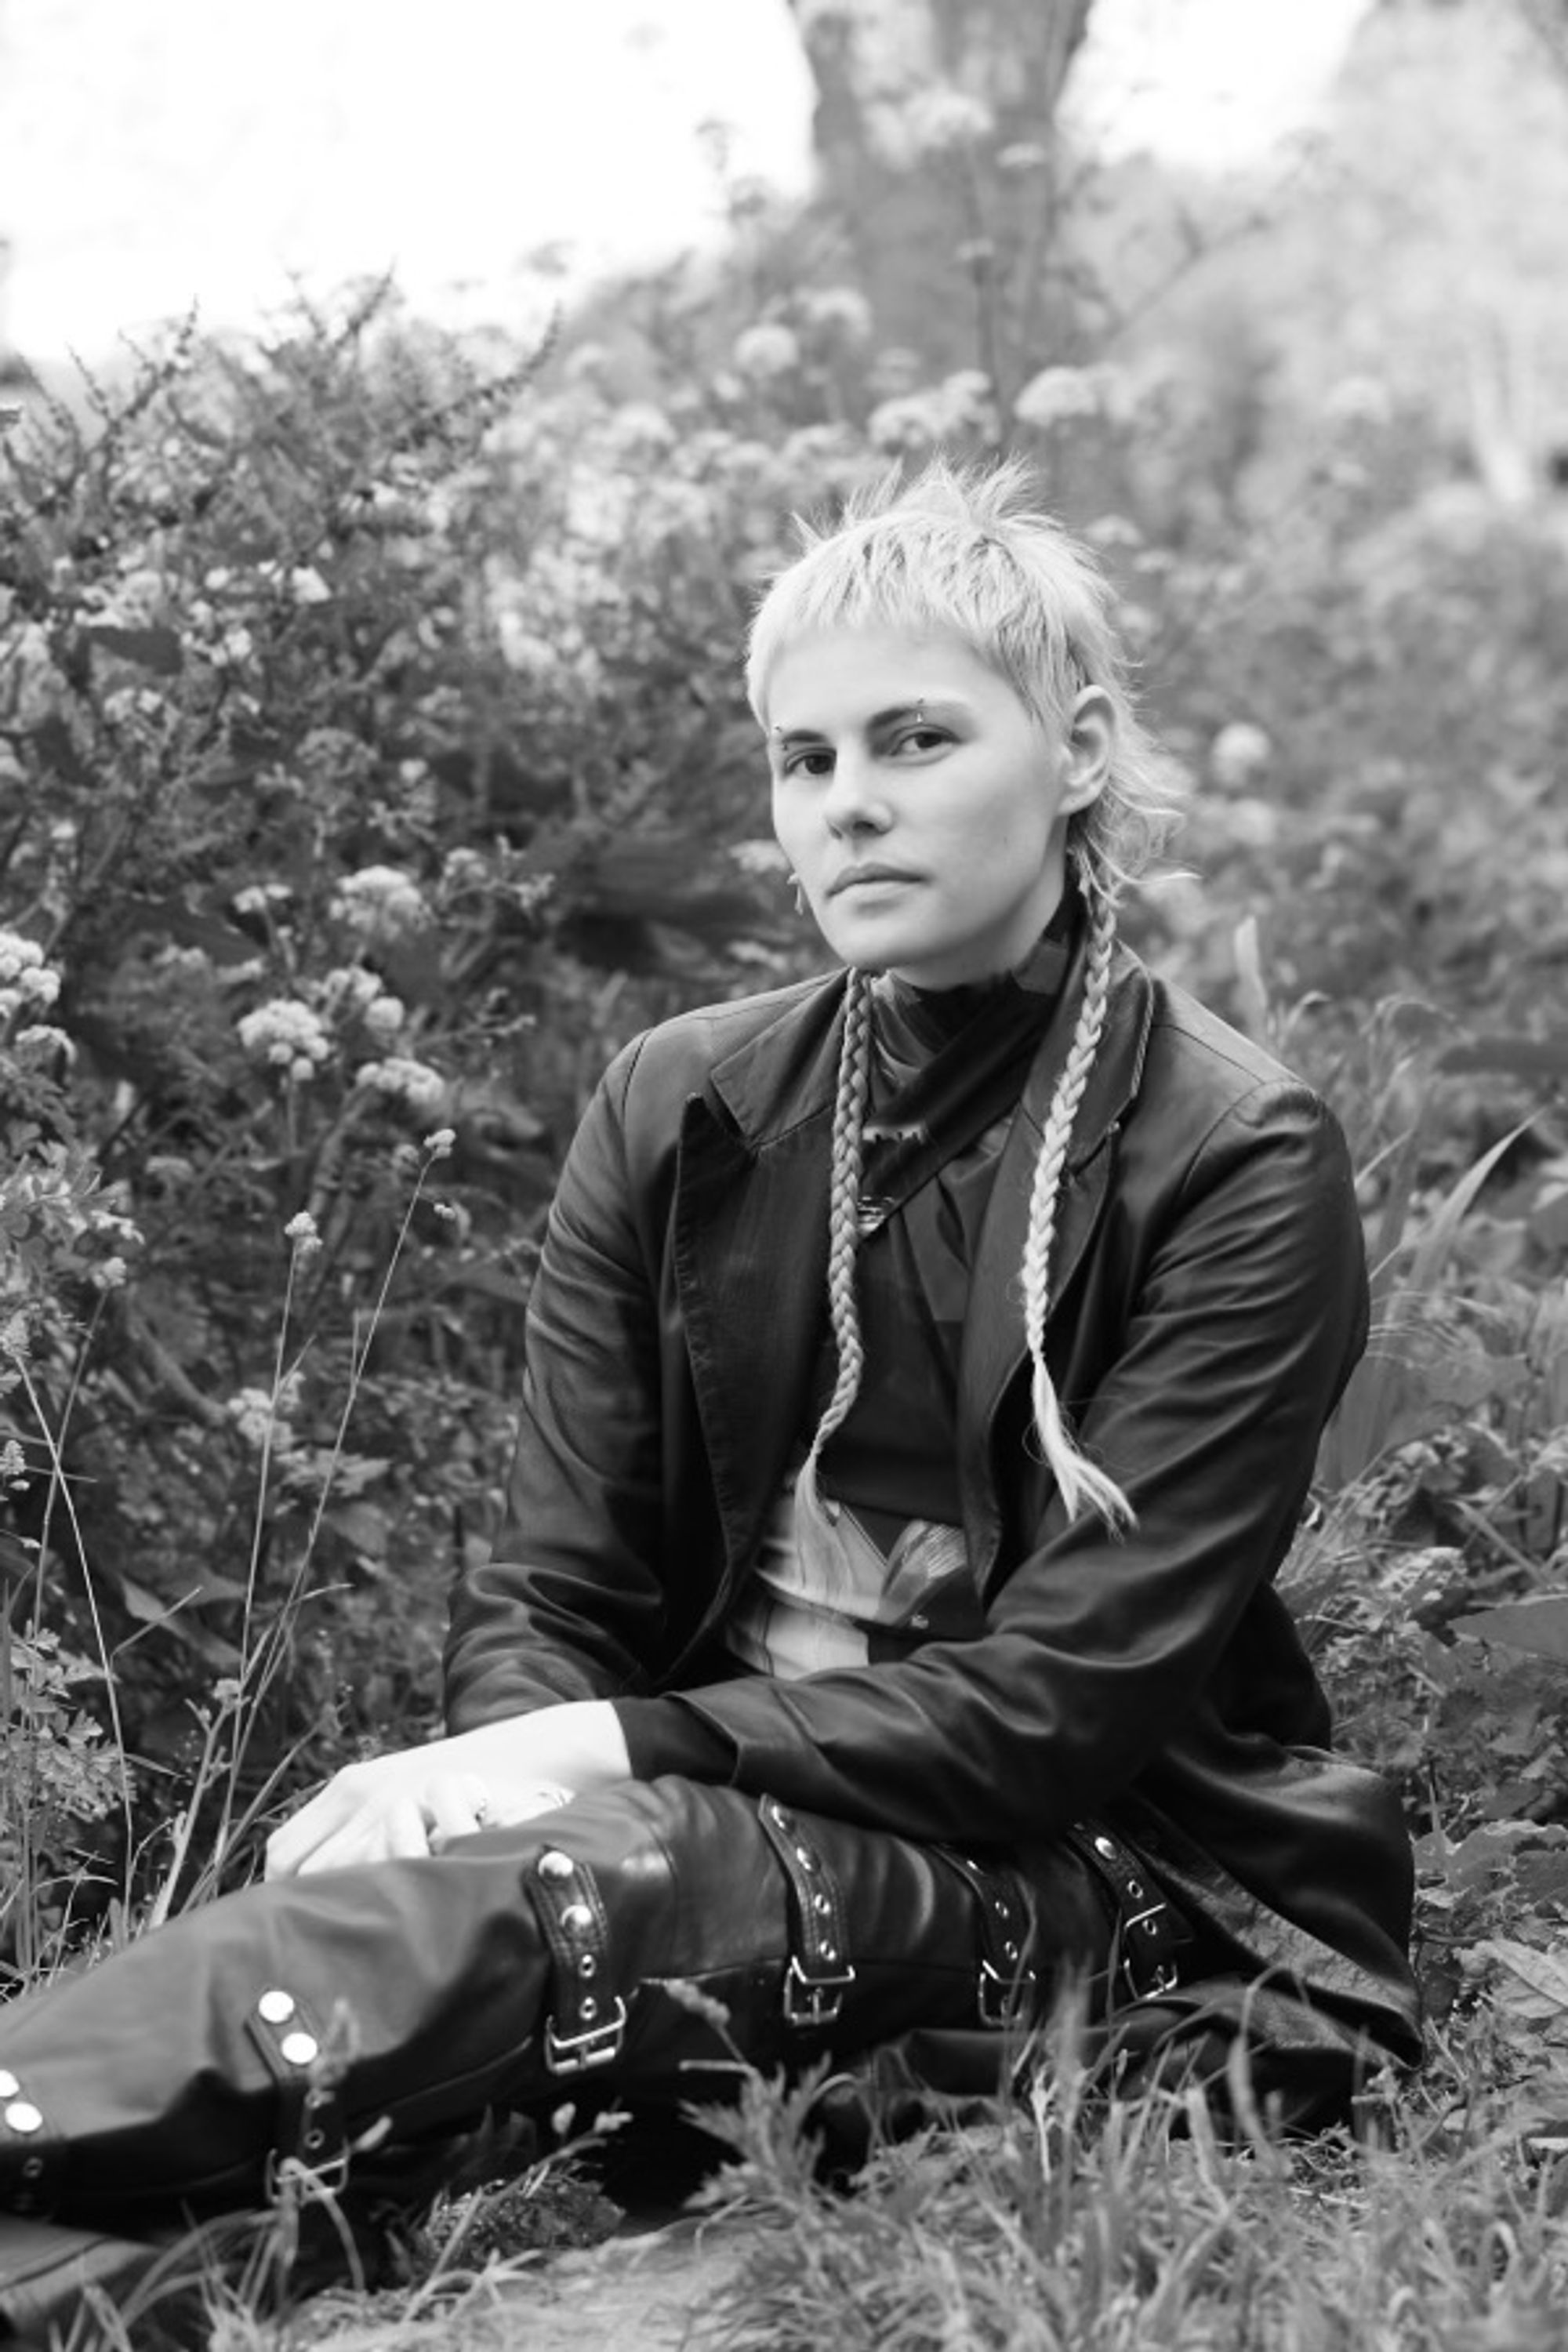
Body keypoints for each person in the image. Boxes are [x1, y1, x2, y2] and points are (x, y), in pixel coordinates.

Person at [0, 461, 1421, 2311]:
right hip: (699, 1835)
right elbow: (557, 1587)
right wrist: (519, 1788)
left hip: (1112, 1886)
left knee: (608, 1879)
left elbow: (1056, 1711)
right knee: (419, 2032)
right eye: (803, 759)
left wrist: (589, 1768)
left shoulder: (1232, 1154)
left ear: (1074, 751)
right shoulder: (683, 1100)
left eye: (914, 739)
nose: (849, 804)